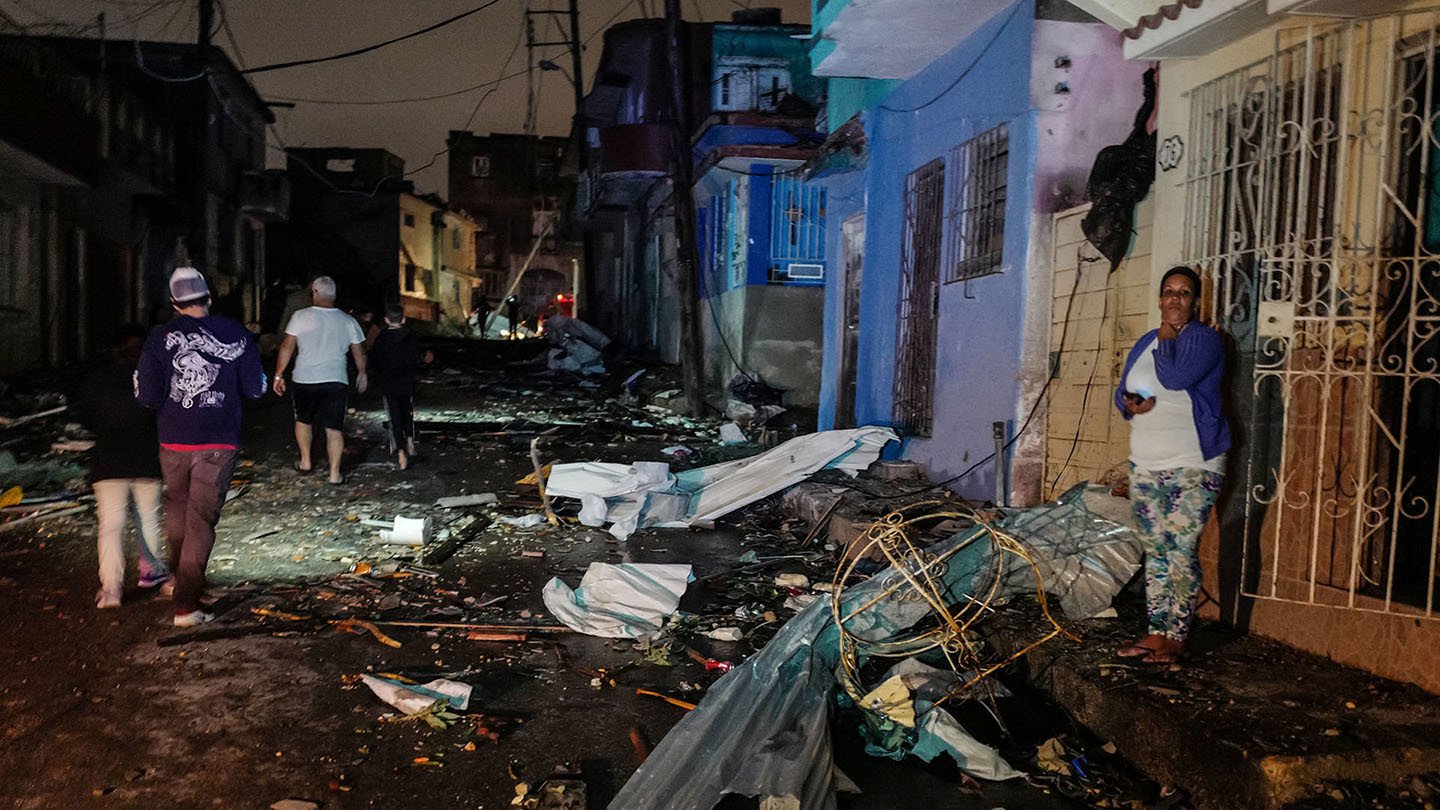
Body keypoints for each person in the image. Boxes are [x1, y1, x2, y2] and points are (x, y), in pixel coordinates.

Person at [135, 267, 267, 627]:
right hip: (218, 442)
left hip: (173, 441)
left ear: (174, 303)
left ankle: (179, 581)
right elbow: (256, 388)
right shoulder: (236, 333)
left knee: (178, 512)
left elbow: (146, 395)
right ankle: (186, 605)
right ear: (209, 298)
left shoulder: (159, 337)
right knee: (201, 522)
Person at [1113, 265, 1230, 665]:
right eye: (1168, 291)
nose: (1175, 299)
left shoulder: (1203, 338)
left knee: (1180, 550)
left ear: (1195, 302)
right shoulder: (1145, 340)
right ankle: (1155, 633)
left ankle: (1176, 638)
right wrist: (1130, 403)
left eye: (1184, 292)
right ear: (1160, 299)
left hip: (1192, 462)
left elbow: (1175, 377)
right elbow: (1124, 389)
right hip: (1146, 463)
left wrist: (1166, 338)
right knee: (1156, 551)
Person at [77, 325, 168, 608]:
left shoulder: (99, 379)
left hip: (109, 461)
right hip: (147, 459)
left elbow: (85, 417)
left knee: (111, 525)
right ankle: (151, 571)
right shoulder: (155, 377)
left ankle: (111, 590)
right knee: (148, 518)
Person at [273, 276, 367, 484]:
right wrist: (362, 372)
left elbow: (287, 347)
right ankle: (334, 474)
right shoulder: (347, 320)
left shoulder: (300, 316)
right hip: (336, 379)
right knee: (334, 427)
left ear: (315, 293)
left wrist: (279, 374)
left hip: (304, 379)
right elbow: (359, 351)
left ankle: (306, 461)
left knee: (303, 420)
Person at [370, 304, 430, 470]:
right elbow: (417, 358)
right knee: (407, 411)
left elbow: (375, 360)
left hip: (389, 382)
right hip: (407, 381)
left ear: (386, 320)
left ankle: (401, 452)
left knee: (394, 416)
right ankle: (410, 442)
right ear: (403, 319)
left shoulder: (381, 338)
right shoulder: (411, 337)